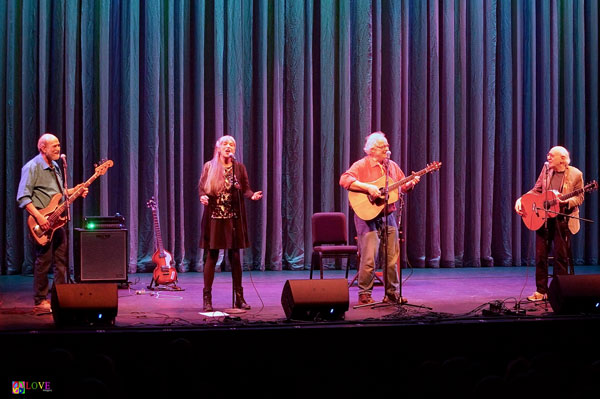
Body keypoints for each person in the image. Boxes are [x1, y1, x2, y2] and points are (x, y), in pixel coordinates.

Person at [339, 132, 420, 305]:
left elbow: (402, 187)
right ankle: (364, 294)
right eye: (383, 147)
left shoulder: (391, 166)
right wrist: (368, 188)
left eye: (387, 146)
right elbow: (345, 180)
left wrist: (410, 184)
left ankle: (391, 293)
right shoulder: (361, 165)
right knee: (369, 256)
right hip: (366, 217)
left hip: (388, 215)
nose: (387, 149)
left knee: (392, 257)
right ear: (372, 150)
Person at [16, 133, 88, 312]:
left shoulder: (56, 166)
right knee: (44, 261)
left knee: (61, 260)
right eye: (54, 146)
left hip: (57, 223)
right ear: (42, 148)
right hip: (41, 222)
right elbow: (22, 197)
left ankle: (59, 297)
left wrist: (76, 191)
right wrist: (40, 218)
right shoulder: (32, 167)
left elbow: (59, 194)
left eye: (59, 145)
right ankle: (40, 299)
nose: (58, 149)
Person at [198, 135, 263, 311]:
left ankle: (239, 297)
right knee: (211, 256)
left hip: (234, 218)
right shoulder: (209, 167)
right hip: (214, 217)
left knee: (235, 257)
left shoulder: (239, 168)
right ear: (218, 148)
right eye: (225, 144)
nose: (229, 147)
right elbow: (202, 189)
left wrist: (252, 195)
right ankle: (207, 298)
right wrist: (203, 197)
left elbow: (246, 188)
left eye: (232, 144)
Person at [514, 146, 584, 301]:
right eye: (548, 155)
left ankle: (559, 292)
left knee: (560, 256)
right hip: (543, 219)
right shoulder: (546, 170)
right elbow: (536, 190)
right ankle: (541, 290)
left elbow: (579, 197)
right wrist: (521, 199)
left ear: (563, 159)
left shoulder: (576, 174)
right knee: (540, 255)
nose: (548, 157)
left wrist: (564, 202)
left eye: (552, 155)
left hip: (562, 219)